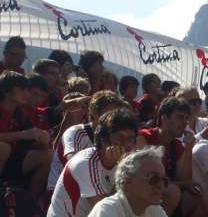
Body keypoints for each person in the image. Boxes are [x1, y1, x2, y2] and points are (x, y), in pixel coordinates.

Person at [48, 107, 138, 217]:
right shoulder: (84, 163)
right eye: (120, 137)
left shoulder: (128, 161)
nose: (126, 144)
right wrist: (122, 171)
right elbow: (105, 211)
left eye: (130, 138)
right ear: (104, 139)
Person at [0, 71, 53, 201]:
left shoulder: (19, 114)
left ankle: (30, 202)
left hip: (12, 162)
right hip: (4, 156)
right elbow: (23, 135)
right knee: (3, 148)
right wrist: (22, 135)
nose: (26, 93)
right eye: (21, 89)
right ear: (7, 92)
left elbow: (31, 140)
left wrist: (42, 140)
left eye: (26, 89)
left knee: (48, 154)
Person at [137, 97, 194, 215]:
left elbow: (186, 180)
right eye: (179, 117)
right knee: (172, 191)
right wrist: (180, 184)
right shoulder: (143, 137)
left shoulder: (177, 146)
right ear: (164, 118)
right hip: (138, 191)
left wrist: (189, 150)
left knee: (195, 196)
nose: (184, 122)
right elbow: (146, 178)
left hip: (159, 192)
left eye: (186, 118)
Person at [88, 146, 168, 216]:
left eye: (164, 180)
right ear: (127, 181)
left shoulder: (155, 210)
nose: (160, 185)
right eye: (153, 178)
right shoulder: (107, 209)